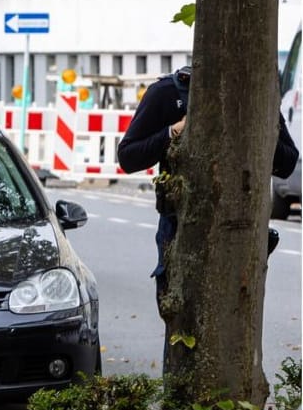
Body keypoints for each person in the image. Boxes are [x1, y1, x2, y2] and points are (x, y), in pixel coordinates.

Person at [118, 65, 299, 296]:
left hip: (240, 226)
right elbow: (128, 157)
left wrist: (256, 134)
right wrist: (174, 131)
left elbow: (288, 163)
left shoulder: (256, 96)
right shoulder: (169, 92)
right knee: (182, 316)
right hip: (181, 224)